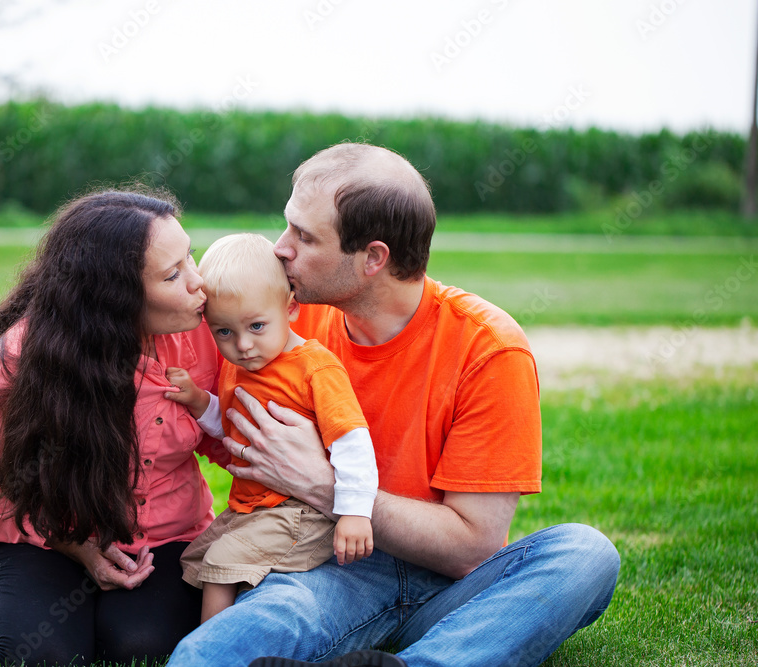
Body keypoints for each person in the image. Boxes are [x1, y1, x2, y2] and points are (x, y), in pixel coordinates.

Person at [166, 144, 621, 667]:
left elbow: (471, 546)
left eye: (304, 236)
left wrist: (325, 484)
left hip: (455, 588)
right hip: (325, 566)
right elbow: (226, 431)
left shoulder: (488, 348)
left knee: (585, 556)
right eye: (287, 226)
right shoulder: (277, 326)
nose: (281, 248)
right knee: (205, 655)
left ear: (372, 258)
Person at [0, 189, 230, 665]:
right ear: (114, 297)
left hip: (164, 538)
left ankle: (102, 619)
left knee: (142, 646)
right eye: (172, 274)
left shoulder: (205, 335)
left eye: (190, 258)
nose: (198, 283)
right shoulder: (26, 358)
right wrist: (79, 549)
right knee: (44, 656)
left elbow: (227, 441)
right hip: (48, 540)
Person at [164, 233, 378, 622]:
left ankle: (211, 648)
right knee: (195, 558)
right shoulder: (243, 365)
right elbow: (234, 424)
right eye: (223, 332)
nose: (242, 345)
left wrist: (354, 512)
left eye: (257, 326)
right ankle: (252, 616)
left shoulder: (314, 367)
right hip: (253, 508)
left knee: (221, 563)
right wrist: (199, 401)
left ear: (291, 309)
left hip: (301, 512)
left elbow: (353, 442)